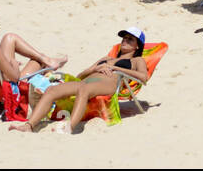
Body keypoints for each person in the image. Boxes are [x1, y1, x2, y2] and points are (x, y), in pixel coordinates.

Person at [10, 28, 151, 134]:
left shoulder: (136, 60)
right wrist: (97, 67)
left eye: (129, 39)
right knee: (52, 90)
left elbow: (144, 78)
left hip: (108, 84)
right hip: (86, 82)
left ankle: (69, 127)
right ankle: (29, 126)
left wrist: (115, 69)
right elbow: (81, 75)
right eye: (123, 39)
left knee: (84, 90)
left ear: (137, 46)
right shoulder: (105, 58)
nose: (124, 41)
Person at [0, 8, 67, 80]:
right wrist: (14, 64)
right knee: (37, 61)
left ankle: (47, 62)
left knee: (9, 37)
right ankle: (47, 62)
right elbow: (14, 78)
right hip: (9, 88)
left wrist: (7, 64)